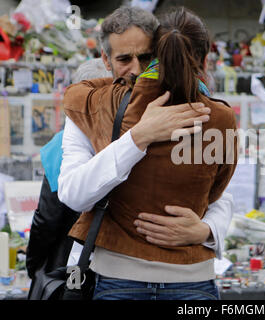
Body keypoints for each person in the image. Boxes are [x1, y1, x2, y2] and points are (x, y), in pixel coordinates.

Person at [59, 7, 237, 300]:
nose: (138, 70)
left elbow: (221, 193)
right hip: (122, 277)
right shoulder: (96, 108)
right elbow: (73, 194)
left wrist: (205, 230)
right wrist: (139, 137)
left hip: (188, 278)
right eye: (124, 59)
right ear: (105, 60)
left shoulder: (91, 103)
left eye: (146, 58)